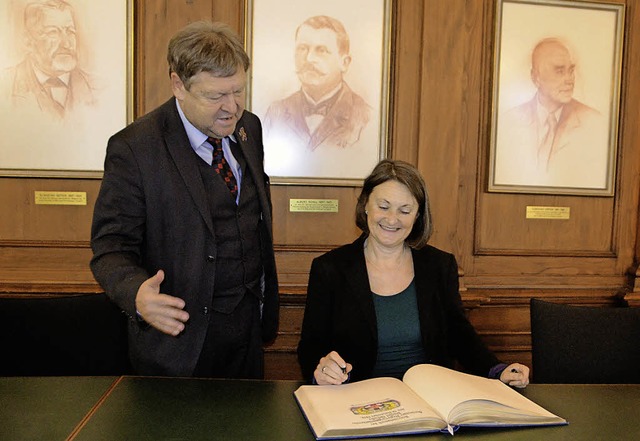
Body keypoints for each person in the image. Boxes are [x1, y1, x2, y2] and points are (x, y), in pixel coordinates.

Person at [90, 21, 279, 379]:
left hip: (247, 336)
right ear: (178, 84)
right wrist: (136, 295)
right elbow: (110, 246)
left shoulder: (249, 128)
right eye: (215, 96)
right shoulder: (134, 148)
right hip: (178, 347)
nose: (231, 107)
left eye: (238, 91)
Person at [297, 159, 529, 387]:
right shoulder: (329, 269)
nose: (391, 219)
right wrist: (321, 372)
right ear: (365, 204)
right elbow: (311, 348)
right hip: (359, 402)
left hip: (430, 398)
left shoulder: (439, 265)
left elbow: (460, 335)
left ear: (417, 215)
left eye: (404, 210)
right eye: (383, 206)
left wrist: (497, 370)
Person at [494, 37, 608, 189]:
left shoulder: (595, 123)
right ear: (536, 78)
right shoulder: (507, 122)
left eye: (571, 71)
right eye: (559, 71)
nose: (570, 80)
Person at [263, 15, 371, 152]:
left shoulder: (365, 117)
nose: (309, 58)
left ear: (344, 63)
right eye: (302, 49)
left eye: (322, 51)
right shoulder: (276, 112)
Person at [1, 0, 96, 120]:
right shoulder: (8, 86)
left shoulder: (96, 87)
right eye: (53, 32)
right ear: (28, 41)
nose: (66, 44)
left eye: (70, 32)